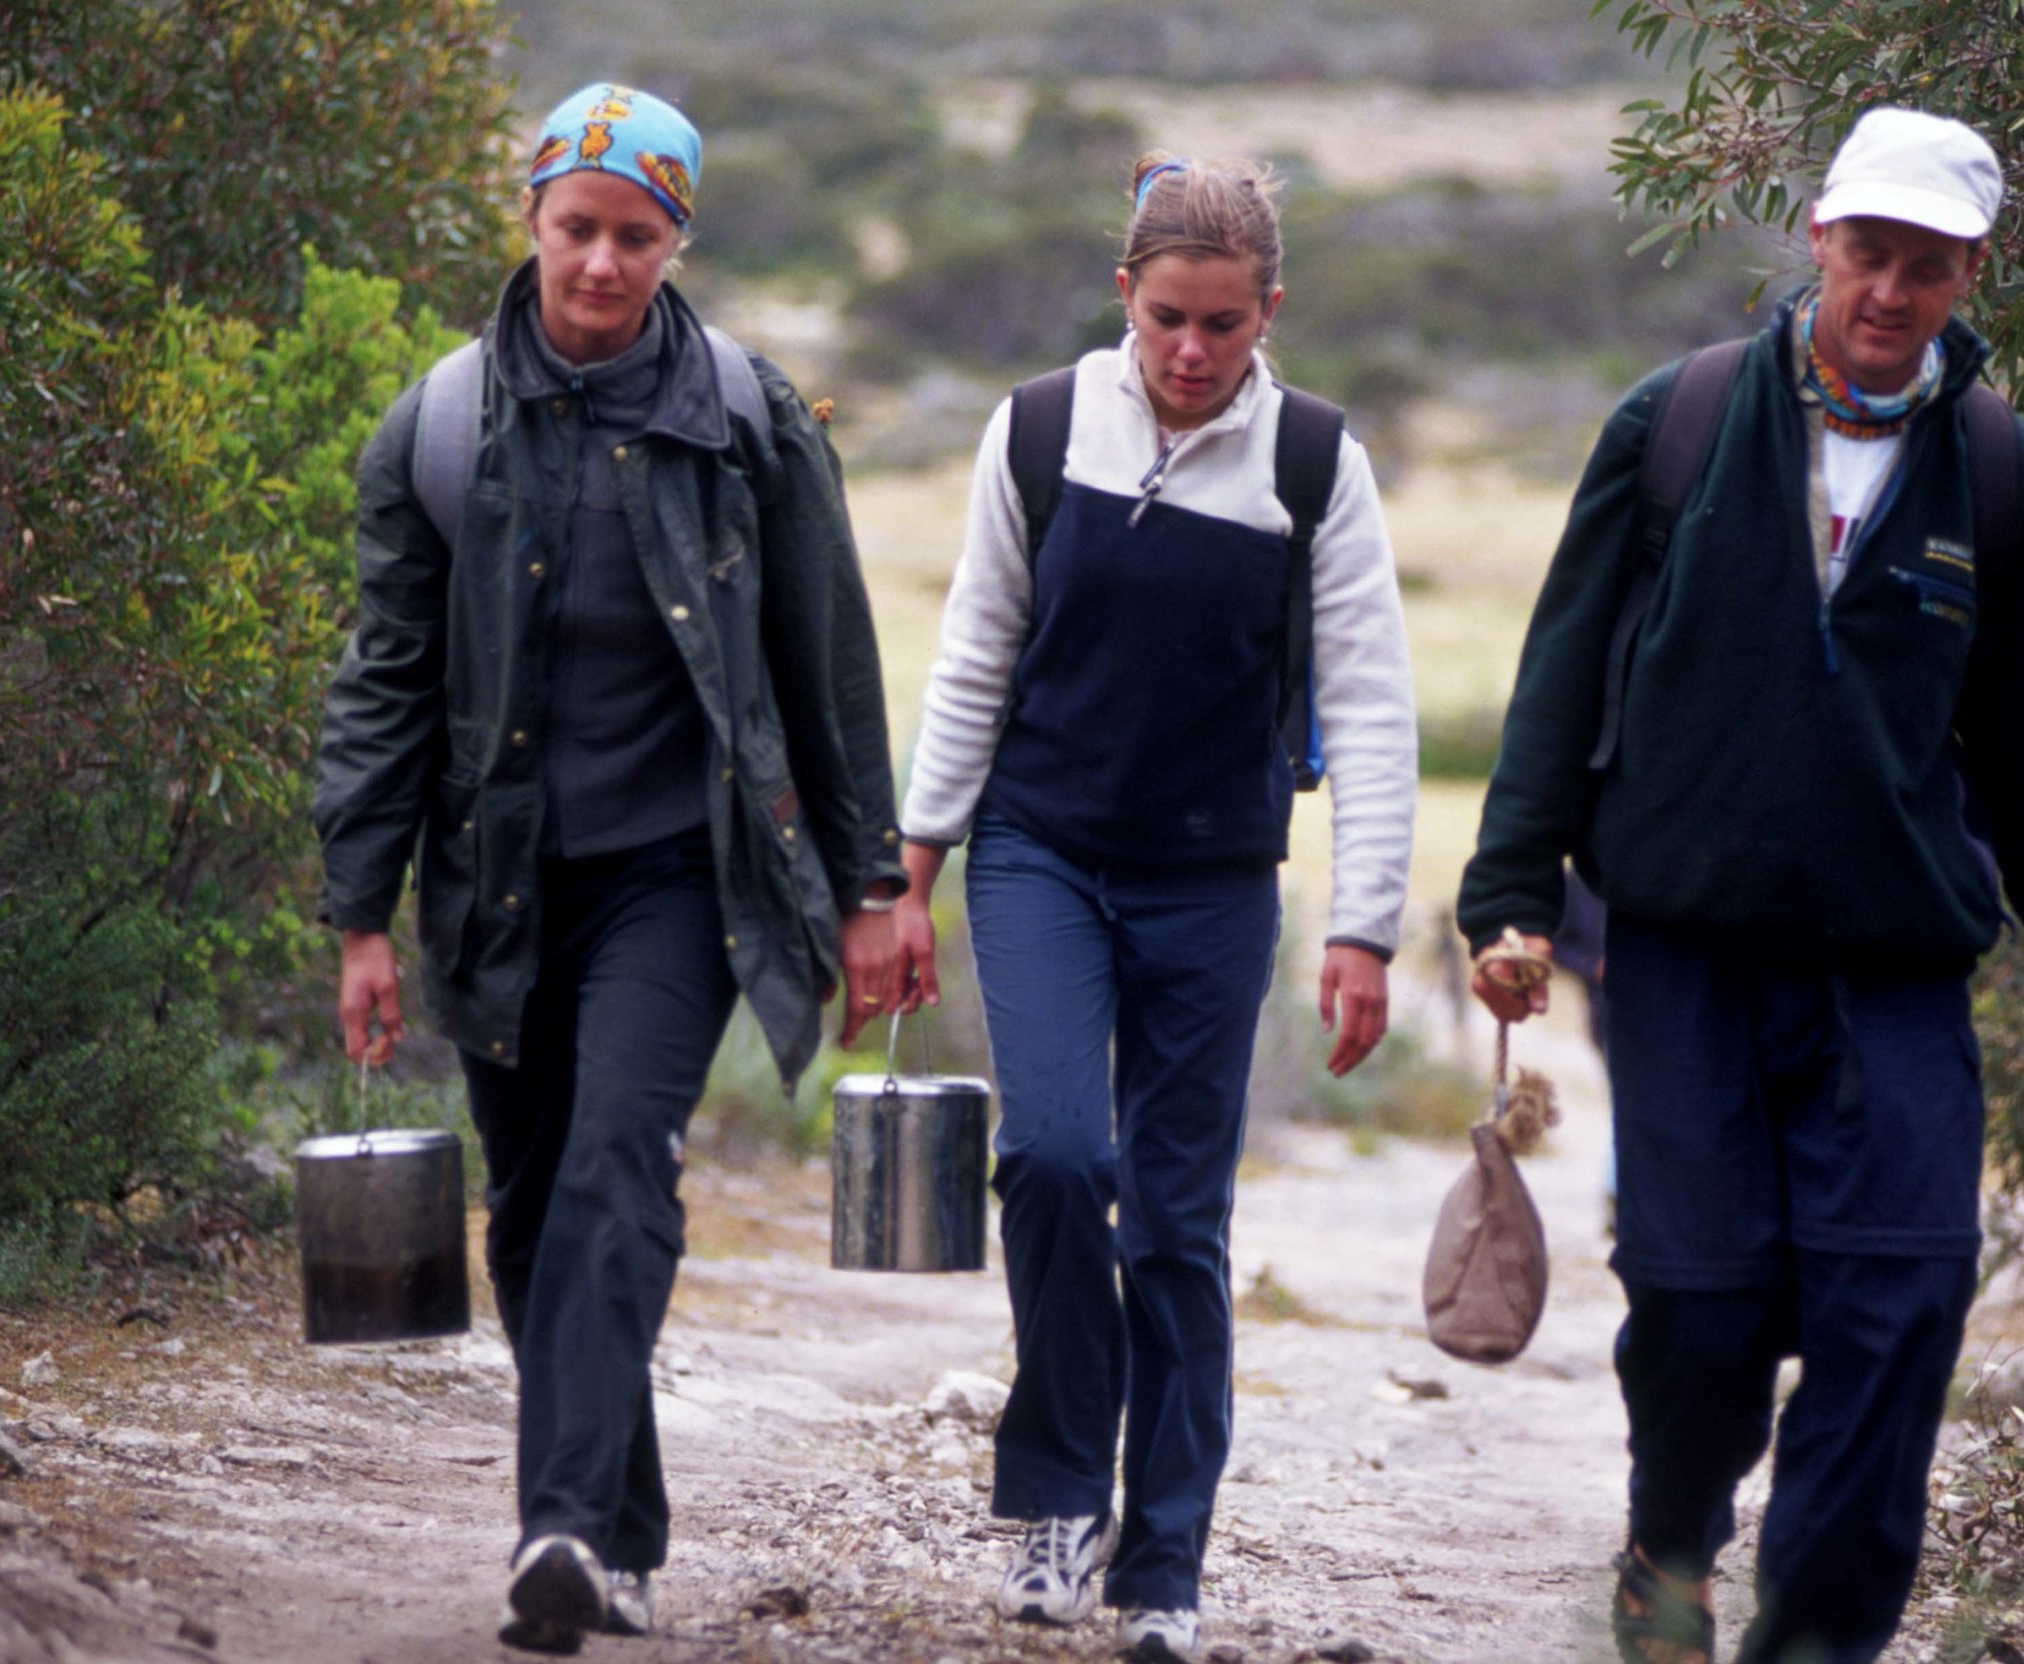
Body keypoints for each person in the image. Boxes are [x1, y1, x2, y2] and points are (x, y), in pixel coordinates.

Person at [1456, 108, 2024, 1664]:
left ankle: (1814, 1646)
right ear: (1820, 235)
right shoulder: (1679, 422)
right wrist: (1507, 902)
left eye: (1928, 267)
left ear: (1973, 272)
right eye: (1869, 254)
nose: (1890, 293)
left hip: (1894, 978)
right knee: (1703, 1310)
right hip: (1683, 958)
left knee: (1896, 1312)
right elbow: (1560, 686)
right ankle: (1673, 1549)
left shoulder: (1993, 471)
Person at [312, 82, 908, 1656]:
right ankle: (619, 1536)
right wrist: (356, 913)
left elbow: (825, 662)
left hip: (681, 874)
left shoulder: (748, 418)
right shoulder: (434, 426)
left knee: (610, 1171)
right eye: (576, 227)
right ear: (530, 220)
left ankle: (558, 1528)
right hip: (495, 880)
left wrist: (871, 884)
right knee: (527, 1210)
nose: (600, 263)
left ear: (677, 239)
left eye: (635, 236)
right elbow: (385, 675)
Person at [892, 154, 1417, 1664]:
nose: (1193, 355)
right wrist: (913, 871)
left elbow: (1374, 706)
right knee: (1056, 1158)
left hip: (1211, 883)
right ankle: (1059, 1493)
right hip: (1042, 853)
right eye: (1169, 319)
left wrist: (1363, 927)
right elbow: (975, 652)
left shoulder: (1315, 465)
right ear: (1124, 295)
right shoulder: (1043, 427)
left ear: (1271, 314)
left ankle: (1163, 1567)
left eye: (1226, 328)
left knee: (1178, 1227)